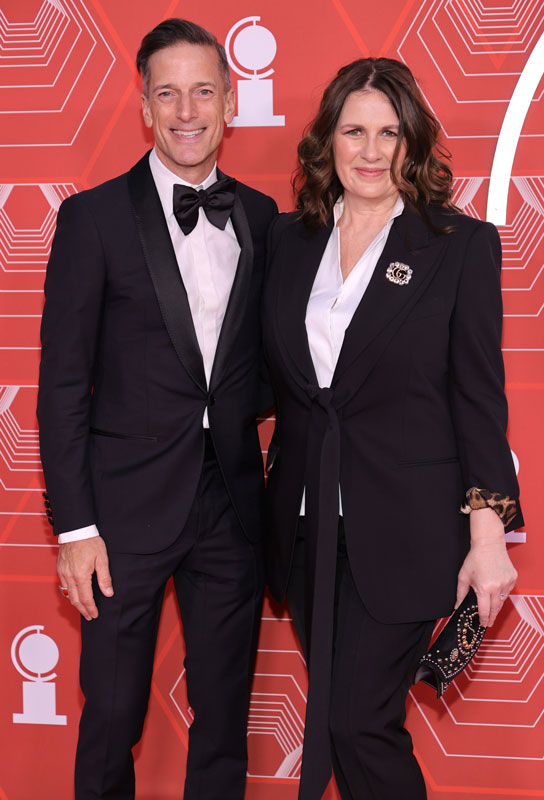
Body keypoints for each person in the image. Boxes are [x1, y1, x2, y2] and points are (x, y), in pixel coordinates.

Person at [262, 57, 522, 800]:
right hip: (308, 529)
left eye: (389, 132)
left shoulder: (458, 247)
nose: (371, 152)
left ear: (413, 143)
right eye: (354, 131)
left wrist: (488, 539)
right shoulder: (289, 241)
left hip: (406, 531)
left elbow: (478, 400)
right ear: (328, 142)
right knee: (349, 726)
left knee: (354, 722)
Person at [37, 18, 277, 800]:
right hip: (120, 512)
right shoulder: (93, 219)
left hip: (231, 506)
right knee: (110, 716)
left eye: (203, 90)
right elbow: (62, 387)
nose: (185, 109)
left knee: (222, 723)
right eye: (167, 92)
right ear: (143, 105)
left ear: (230, 101)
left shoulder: (265, 219)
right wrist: (75, 529)